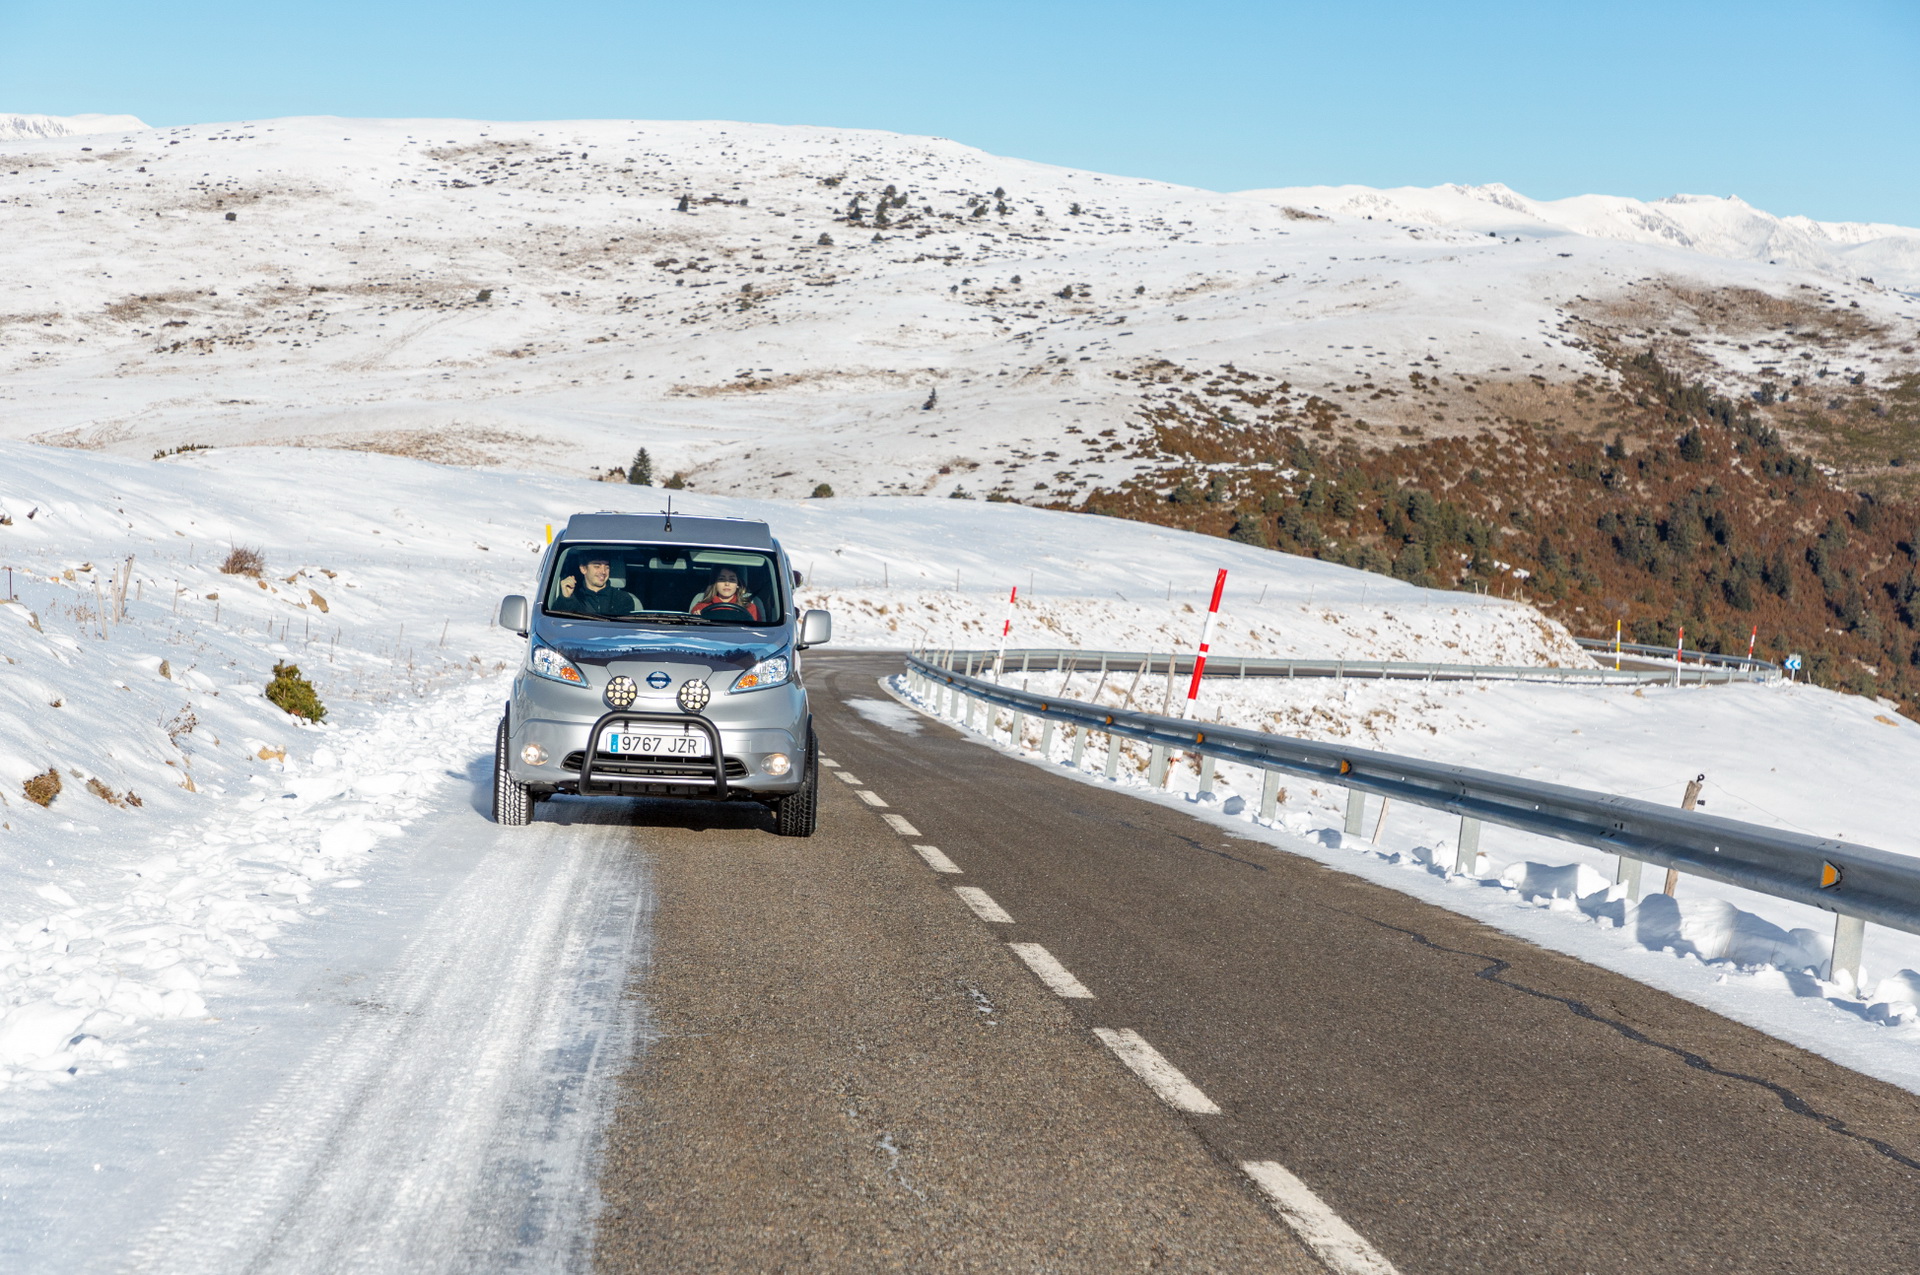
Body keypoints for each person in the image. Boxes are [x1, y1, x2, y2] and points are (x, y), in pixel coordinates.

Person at [556, 551, 637, 617]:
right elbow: (557, 623)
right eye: (597, 566)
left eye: (607, 567)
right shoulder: (574, 598)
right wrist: (566, 598)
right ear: (583, 569)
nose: (603, 572)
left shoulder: (623, 599)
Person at [689, 566, 763, 621]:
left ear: (738, 584)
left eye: (732, 579)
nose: (727, 583)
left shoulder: (750, 609)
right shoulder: (701, 608)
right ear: (715, 583)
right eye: (721, 579)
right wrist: (697, 619)